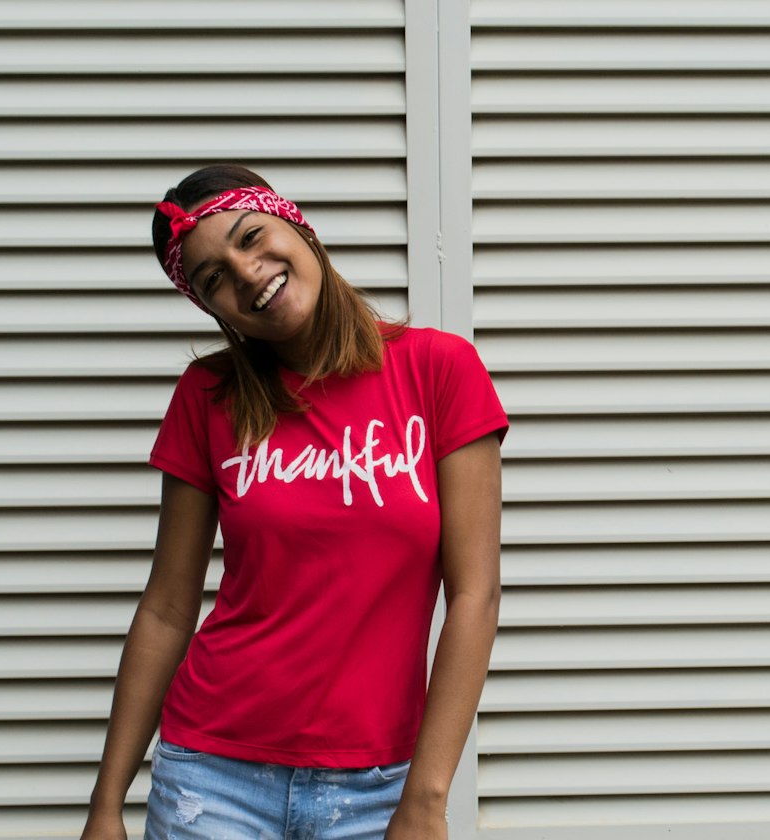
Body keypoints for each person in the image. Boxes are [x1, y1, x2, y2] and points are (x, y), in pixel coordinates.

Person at [79, 165, 508, 840]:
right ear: (210, 308)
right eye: (215, 277)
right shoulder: (207, 395)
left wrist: (426, 797)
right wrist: (106, 804)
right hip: (211, 776)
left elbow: (476, 595)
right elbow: (166, 607)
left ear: (296, 224)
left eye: (252, 237)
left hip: (379, 785)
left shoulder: (438, 371)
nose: (247, 272)